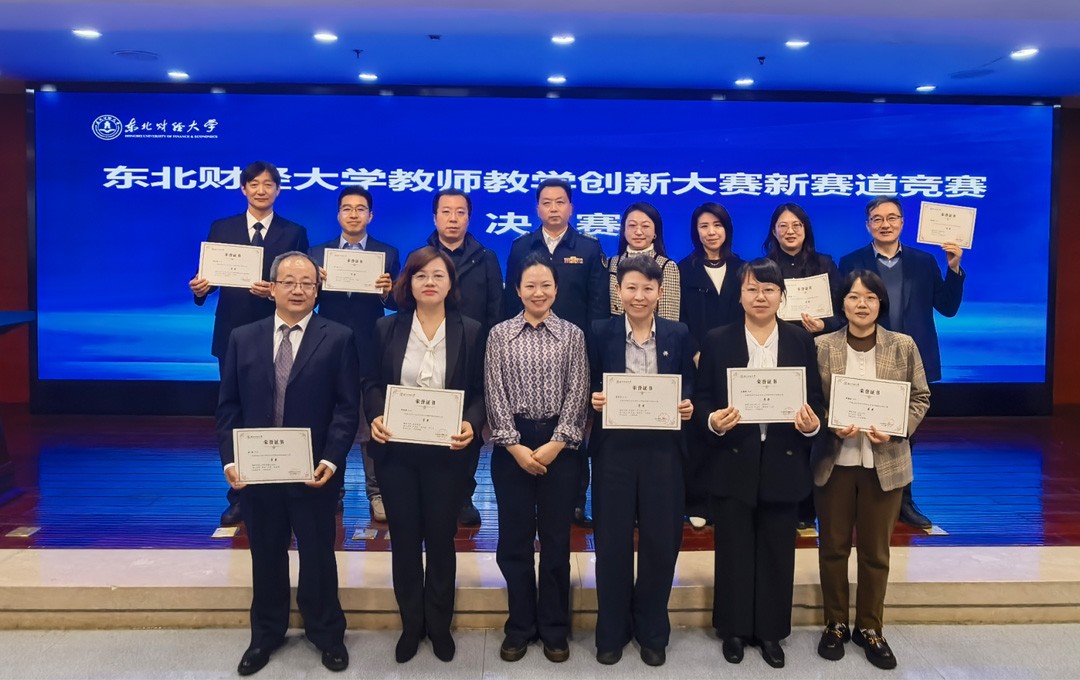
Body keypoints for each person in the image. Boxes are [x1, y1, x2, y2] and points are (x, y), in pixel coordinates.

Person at [216, 251, 360, 676]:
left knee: (318, 556)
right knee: (265, 554)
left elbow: (346, 408)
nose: (298, 290)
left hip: (313, 472)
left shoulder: (338, 337)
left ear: (317, 290)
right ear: (272, 287)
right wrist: (230, 461)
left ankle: (327, 634)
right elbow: (228, 407)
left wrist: (331, 459)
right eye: (289, 282)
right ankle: (265, 634)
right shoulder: (243, 337)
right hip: (258, 472)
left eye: (307, 283)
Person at [693, 258, 825, 670]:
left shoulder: (800, 340)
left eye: (769, 289)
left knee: (776, 549)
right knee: (733, 547)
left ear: (781, 296)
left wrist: (812, 425)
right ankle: (732, 630)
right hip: (734, 457)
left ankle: (770, 631)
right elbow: (702, 397)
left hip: (783, 458)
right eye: (752, 289)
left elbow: (815, 399)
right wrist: (712, 421)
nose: (761, 297)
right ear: (740, 296)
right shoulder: (718, 340)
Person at [363, 247, 486, 664]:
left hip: (447, 453)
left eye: (438, 275)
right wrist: (376, 415)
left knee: (440, 539)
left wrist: (471, 422)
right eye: (420, 276)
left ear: (451, 283)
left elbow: (479, 391)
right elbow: (371, 383)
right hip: (397, 451)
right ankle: (411, 624)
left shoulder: (471, 330)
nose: (429, 282)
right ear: (408, 283)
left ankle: (439, 625)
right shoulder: (386, 328)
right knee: (404, 540)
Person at [813, 270, 931, 670]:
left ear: (881, 303)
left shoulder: (903, 345)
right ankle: (835, 623)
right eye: (853, 297)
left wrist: (898, 428)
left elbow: (920, 397)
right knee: (833, 548)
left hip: (886, 462)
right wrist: (830, 423)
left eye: (869, 298)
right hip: (835, 462)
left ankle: (870, 627)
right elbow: (811, 401)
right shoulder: (822, 346)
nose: (861, 304)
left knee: (876, 552)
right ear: (842, 303)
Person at [588, 255, 695, 667]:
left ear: (660, 293)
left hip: (663, 453)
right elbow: (588, 381)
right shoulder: (600, 332)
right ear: (619, 292)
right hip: (614, 451)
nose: (639, 296)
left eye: (647, 288)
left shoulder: (678, 333)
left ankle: (652, 631)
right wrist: (595, 399)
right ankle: (611, 631)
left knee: (660, 543)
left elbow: (689, 384)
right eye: (631, 287)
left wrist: (687, 405)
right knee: (611, 543)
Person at [190, 160, 309, 527]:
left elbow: (305, 288)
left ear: (278, 190)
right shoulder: (221, 227)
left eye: (268, 184)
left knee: (282, 409)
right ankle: (240, 495)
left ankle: (286, 485)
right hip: (232, 335)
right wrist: (200, 289)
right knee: (236, 412)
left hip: (279, 332)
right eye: (254, 184)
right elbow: (208, 279)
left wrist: (274, 292)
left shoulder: (294, 232)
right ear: (243, 189)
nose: (261, 190)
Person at [484, 252, 588, 664]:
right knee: (514, 540)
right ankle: (520, 626)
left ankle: (554, 628)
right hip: (513, 445)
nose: (538, 292)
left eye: (546, 285)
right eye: (530, 285)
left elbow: (579, 393)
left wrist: (556, 443)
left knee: (557, 540)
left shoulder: (573, 335)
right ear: (517, 289)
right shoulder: (499, 335)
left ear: (556, 290)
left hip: (561, 447)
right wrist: (514, 446)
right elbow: (494, 393)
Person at [838, 196, 964, 529]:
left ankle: (903, 501)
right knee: (863, 429)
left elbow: (948, 307)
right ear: (868, 225)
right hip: (865, 355)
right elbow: (841, 310)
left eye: (892, 218)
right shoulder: (850, 261)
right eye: (877, 219)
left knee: (905, 434)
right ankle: (863, 499)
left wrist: (953, 268)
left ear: (903, 222)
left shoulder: (924, 261)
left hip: (912, 358)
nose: (885, 224)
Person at [504, 178, 607, 528]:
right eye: (546, 202)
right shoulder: (521, 246)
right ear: (537, 208)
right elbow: (509, 303)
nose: (553, 208)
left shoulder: (589, 248)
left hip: (572, 351)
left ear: (570, 207)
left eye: (560, 202)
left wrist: (591, 353)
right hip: (525, 350)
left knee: (574, 424)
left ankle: (575, 501)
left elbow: (598, 306)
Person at [309, 186, 399, 523]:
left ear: (370, 216)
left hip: (368, 346)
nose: (353, 214)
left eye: (361, 209)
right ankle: (334, 489)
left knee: (371, 418)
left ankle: (377, 492)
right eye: (347, 208)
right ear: (338, 215)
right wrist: (315, 285)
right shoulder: (317, 253)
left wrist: (389, 292)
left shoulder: (387, 253)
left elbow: (397, 303)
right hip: (326, 346)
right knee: (330, 418)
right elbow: (305, 300)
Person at [422, 188, 504, 527]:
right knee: (428, 421)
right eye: (446, 212)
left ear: (469, 218)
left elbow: (496, 311)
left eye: (460, 212)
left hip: (473, 354)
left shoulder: (486, 258)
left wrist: (492, 355)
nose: (453, 219)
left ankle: (463, 496)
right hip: (428, 352)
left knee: (468, 425)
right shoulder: (421, 257)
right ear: (435, 217)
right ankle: (429, 491)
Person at [761, 202, 842, 530]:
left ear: (806, 229)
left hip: (816, 354)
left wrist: (823, 325)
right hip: (776, 355)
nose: (790, 231)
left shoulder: (825, 264)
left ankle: (808, 508)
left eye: (796, 225)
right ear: (774, 231)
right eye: (783, 225)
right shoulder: (765, 267)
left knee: (811, 426)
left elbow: (842, 314)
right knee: (778, 429)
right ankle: (777, 499)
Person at [678, 202, 744, 528]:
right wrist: (694, 351)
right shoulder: (682, 269)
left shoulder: (743, 268)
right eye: (704, 226)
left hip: (735, 360)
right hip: (696, 360)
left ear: (726, 229)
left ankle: (729, 495)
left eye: (717, 225)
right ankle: (697, 500)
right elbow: (677, 317)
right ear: (696, 231)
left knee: (732, 424)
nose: (711, 232)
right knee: (699, 426)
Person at [605, 202, 681, 320]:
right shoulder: (611, 263)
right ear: (624, 230)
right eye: (632, 225)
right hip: (615, 330)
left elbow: (669, 318)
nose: (638, 232)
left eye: (645, 226)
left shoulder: (667, 266)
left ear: (655, 232)